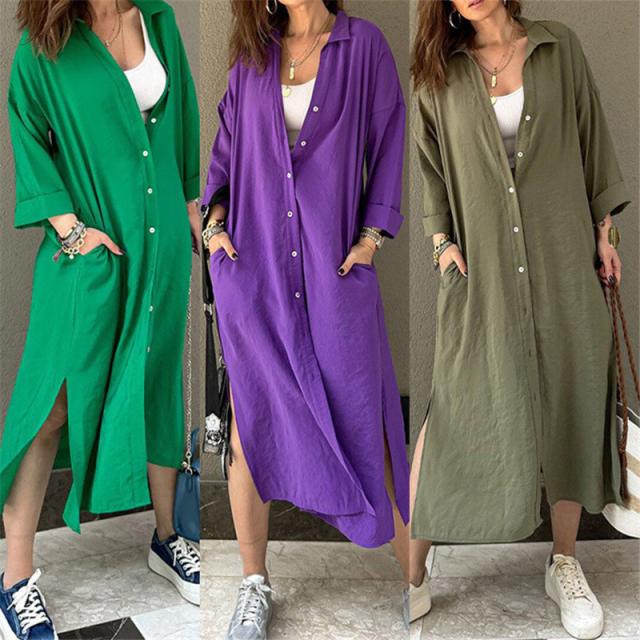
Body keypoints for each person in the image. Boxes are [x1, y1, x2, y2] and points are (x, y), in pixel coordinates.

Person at [409, 1, 630, 638]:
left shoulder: (559, 48)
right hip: (480, 268)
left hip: (564, 256)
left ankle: (564, 563)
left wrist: (605, 233)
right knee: (457, 407)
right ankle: (412, 570)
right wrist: (441, 243)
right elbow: (428, 166)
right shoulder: (439, 70)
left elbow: (591, 137)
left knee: (570, 397)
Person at [202, 0, 410, 637]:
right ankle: (253, 584)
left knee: (368, 419)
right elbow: (225, 153)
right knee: (249, 426)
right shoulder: (252, 57)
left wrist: (372, 237)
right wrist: (212, 229)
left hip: (333, 273)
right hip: (256, 275)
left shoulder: (364, 47)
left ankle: (414, 578)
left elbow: (390, 143)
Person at [0, 1, 201, 636]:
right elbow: (27, 133)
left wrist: (193, 209)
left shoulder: (157, 19)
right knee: (54, 400)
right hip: (88, 249)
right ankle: (14, 579)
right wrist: (71, 230)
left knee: (156, 377)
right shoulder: (45, 44)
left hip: (161, 240)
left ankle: (168, 536)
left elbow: (182, 119)